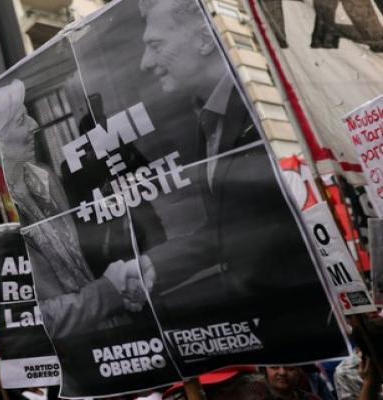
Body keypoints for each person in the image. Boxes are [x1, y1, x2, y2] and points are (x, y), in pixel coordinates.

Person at [135, 0, 345, 367]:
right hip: (293, 340)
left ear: (203, 38)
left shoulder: (267, 104)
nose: (144, 63)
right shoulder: (209, 120)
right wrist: (152, 265)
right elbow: (230, 227)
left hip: (332, 330)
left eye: (155, 45)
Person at [0, 78, 153, 339]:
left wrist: (124, 286)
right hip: (75, 356)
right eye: (21, 121)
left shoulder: (46, 178)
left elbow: (82, 257)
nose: (35, 126)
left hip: (117, 334)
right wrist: (108, 292)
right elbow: (32, 320)